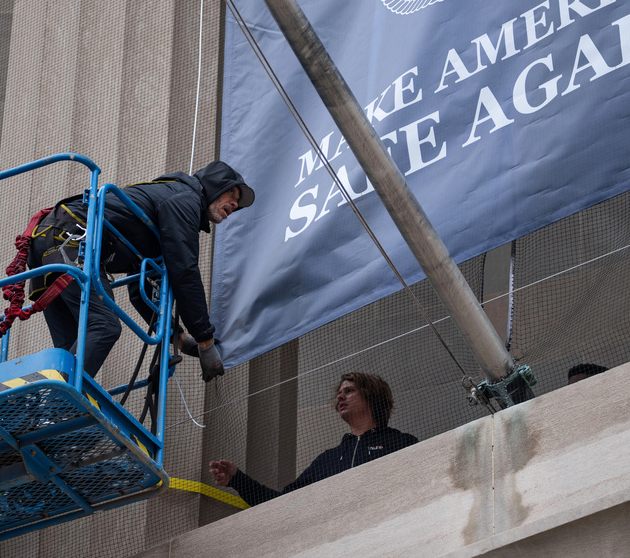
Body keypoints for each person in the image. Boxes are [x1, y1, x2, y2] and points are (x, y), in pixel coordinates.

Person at [27, 160, 254, 380]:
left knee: (74, 345)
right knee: (104, 326)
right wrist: (205, 340)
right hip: (73, 237)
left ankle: (49, 412)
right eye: (232, 195)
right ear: (215, 186)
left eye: (239, 205)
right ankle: (60, 405)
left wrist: (179, 338)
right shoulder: (185, 199)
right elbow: (185, 272)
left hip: (52, 240)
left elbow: (141, 288)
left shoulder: (160, 211)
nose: (235, 206)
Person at [209, 372, 418, 506]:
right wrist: (237, 479)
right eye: (339, 392)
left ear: (372, 397)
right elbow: (281, 505)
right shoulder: (327, 459)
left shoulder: (401, 443)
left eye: (350, 391)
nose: (340, 396)